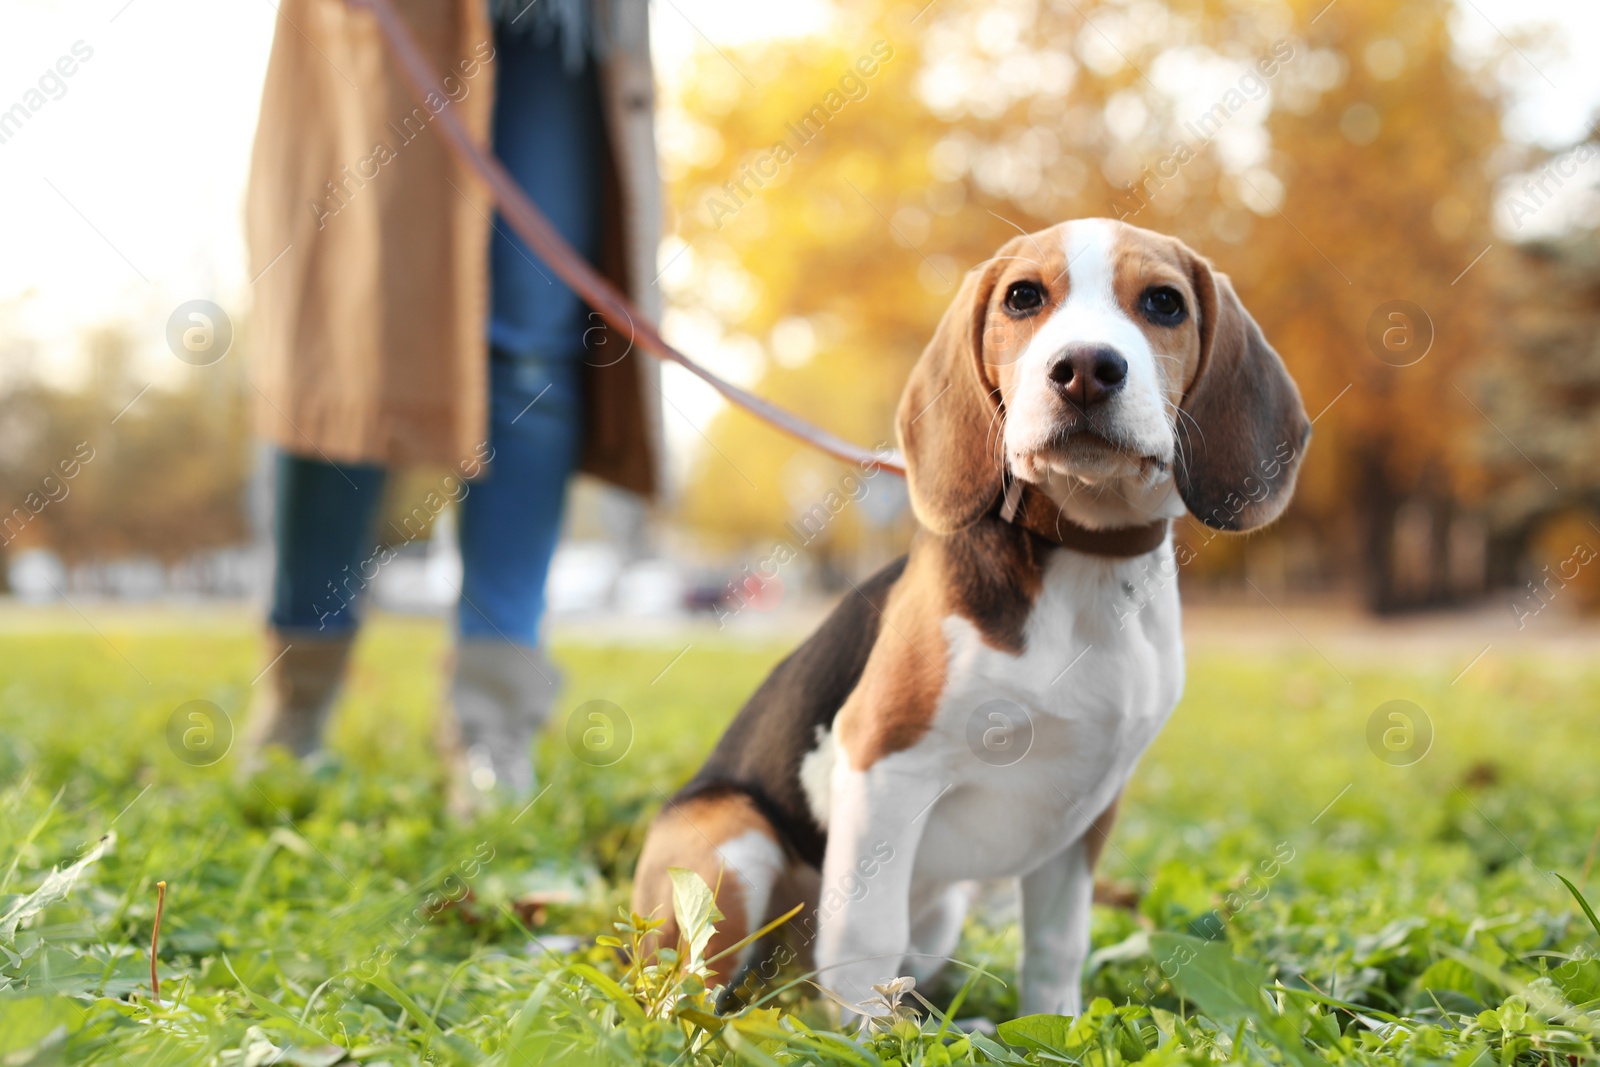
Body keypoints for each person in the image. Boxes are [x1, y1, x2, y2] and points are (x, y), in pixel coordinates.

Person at [241, 0, 659, 802]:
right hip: (376, 21)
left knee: (532, 347)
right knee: (346, 349)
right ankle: (297, 705)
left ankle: (493, 727)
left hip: (560, 25)